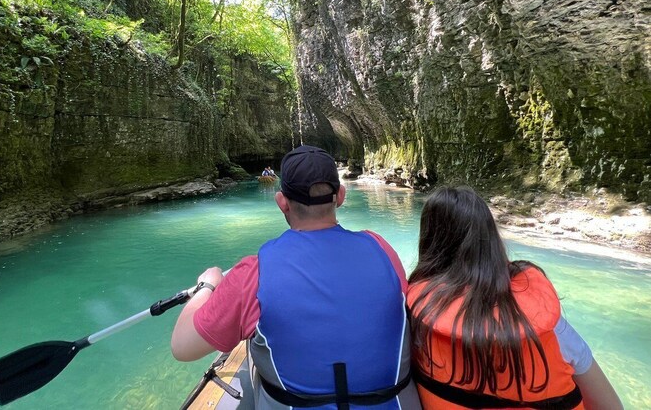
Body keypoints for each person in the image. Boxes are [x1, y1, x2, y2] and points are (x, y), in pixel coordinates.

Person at [172, 145, 421, 409]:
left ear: (281, 202)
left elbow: (182, 347)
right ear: (341, 196)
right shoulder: (383, 249)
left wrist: (207, 285)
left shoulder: (253, 274)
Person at [406, 186, 623, 410]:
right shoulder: (546, 322)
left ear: (429, 243)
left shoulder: (414, 319)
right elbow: (610, 406)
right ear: (491, 240)